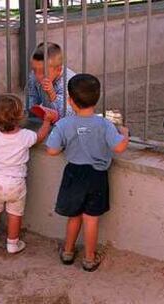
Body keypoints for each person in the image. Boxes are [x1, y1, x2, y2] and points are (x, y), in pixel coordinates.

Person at [46, 74, 129, 272]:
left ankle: (67, 252)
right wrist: (124, 134)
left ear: (70, 100)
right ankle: (90, 259)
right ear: (97, 98)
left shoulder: (64, 124)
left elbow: (51, 150)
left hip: (73, 174)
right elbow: (118, 148)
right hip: (97, 176)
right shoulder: (105, 125)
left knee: (73, 216)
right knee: (91, 219)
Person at [0, 94, 54, 253]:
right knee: (14, 215)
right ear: (21, 116)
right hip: (17, 185)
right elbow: (41, 136)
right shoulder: (26, 136)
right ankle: (13, 244)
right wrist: (47, 121)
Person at [28, 42, 76, 118]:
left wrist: (52, 95)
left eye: (43, 72)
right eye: (34, 69)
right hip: (47, 119)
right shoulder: (34, 76)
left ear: (58, 70)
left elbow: (67, 115)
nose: (37, 76)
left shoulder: (70, 82)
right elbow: (31, 97)